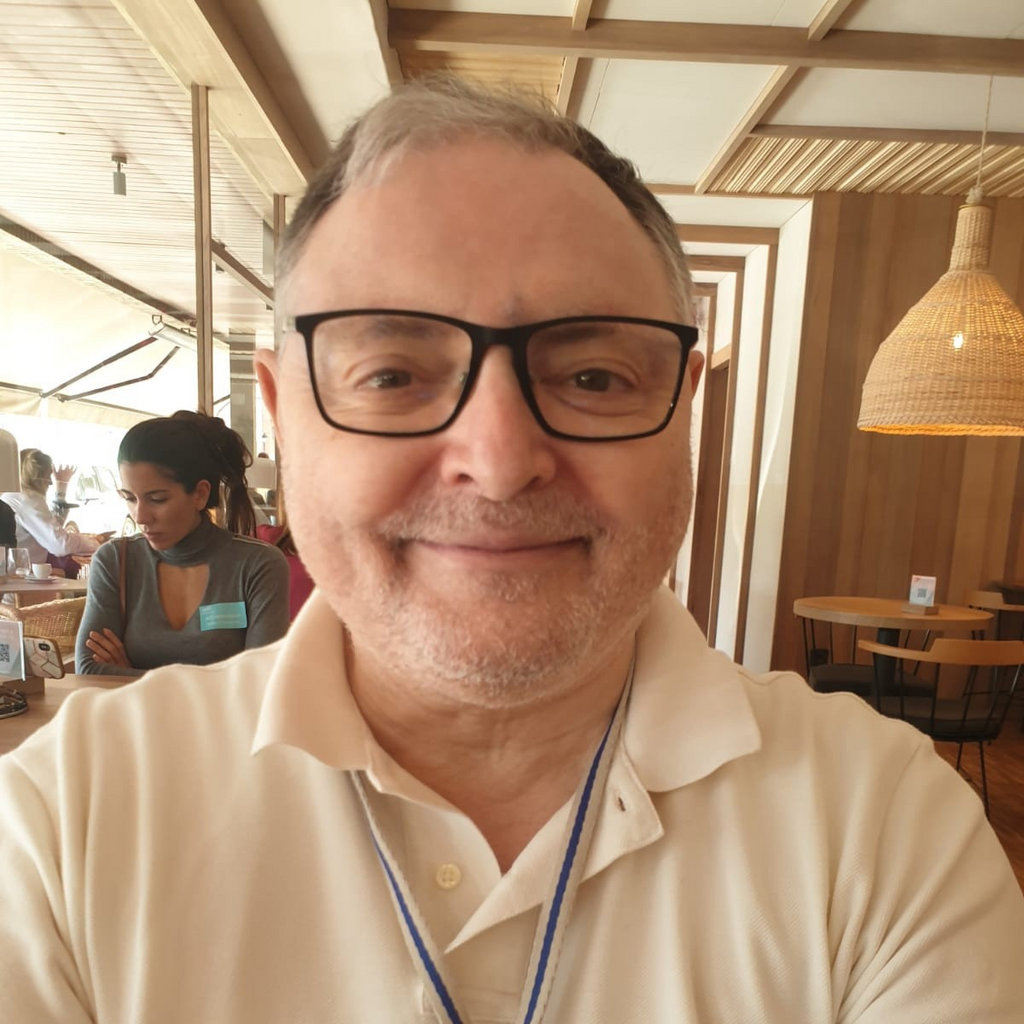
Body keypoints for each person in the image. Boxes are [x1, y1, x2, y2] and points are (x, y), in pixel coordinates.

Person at [2, 79, 1023, 1022]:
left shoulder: (885, 823)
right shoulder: (64, 819)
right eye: (393, 375)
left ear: (683, 413)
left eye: (593, 378)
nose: (497, 465)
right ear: (283, 412)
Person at [74, 410, 290, 677]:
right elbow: (89, 669)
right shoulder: (115, 560)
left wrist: (132, 676)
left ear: (200, 494)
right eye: (129, 498)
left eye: (157, 499)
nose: (140, 517)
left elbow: (260, 679)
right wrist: (214, 682)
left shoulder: (258, 565)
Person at [0, 448, 102, 576]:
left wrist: (62, 486)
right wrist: (95, 543)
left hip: (18, 575)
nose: (50, 483)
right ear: (40, 477)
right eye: (48, 477)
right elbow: (60, 544)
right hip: (22, 578)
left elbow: (52, 527)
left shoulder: (14, 497)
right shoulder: (28, 500)